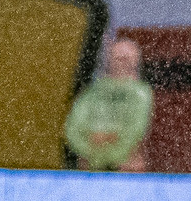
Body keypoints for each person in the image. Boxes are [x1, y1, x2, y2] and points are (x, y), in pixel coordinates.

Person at [64, 37, 153, 171]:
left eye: (127, 59)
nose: (123, 63)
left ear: (136, 62)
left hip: (123, 167)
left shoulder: (141, 94)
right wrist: (91, 152)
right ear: (109, 60)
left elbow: (134, 132)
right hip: (90, 166)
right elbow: (73, 129)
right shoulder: (93, 92)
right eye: (118, 58)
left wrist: (106, 156)